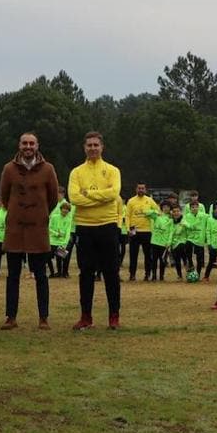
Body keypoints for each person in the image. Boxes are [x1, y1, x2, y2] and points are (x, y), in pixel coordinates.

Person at [0, 132, 60, 329]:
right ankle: (11, 317)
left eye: (31, 143)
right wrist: (18, 213)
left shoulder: (48, 169)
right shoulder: (8, 169)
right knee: (13, 276)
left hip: (38, 230)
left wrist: (39, 214)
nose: (28, 146)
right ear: (19, 145)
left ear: (37, 145)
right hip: (16, 229)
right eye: (25, 143)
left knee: (41, 276)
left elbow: (52, 199)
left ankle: (43, 318)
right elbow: (5, 196)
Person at [67, 132, 123, 330]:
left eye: (95, 145)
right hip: (85, 228)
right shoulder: (76, 172)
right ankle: (86, 317)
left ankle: (114, 316)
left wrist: (88, 194)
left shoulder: (112, 170)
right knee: (86, 273)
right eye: (89, 145)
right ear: (84, 148)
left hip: (107, 226)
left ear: (102, 147)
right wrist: (101, 196)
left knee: (111, 273)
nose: (92, 148)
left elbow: (113, 194)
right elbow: (74, 198)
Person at [147, 200, 173, 281]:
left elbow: (171, 231)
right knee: (153, 260)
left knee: (162, 261)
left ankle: (161, 276)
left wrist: (169, 242)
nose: (166, 209)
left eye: (168, 207)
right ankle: (154, 276)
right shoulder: (157, 216)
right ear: (161, 207)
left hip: (164, 243)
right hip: (155, 241)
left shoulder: (171, 219)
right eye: (164, 207)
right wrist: (155, 211)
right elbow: (146, 212)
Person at [49, 202, 75, 278]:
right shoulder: (54, 217)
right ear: (61, 209)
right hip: (52, 241)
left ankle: (63, 273)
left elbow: (67, 233)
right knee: (49, 257)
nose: (65, 210)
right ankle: (54, 272)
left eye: (67, 209)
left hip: (62, 242)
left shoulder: (69, 220)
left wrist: (64, 244)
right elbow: (49, 228)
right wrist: (57, 234)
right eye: (64, 208)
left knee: (62, 257)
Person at [204, 200, 217, 282]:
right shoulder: (210, 219)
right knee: (211, 261)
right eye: (216, 209)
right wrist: (209, 243)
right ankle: (206, 276)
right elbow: (208, 231)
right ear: (213, 210)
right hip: (213, 244)